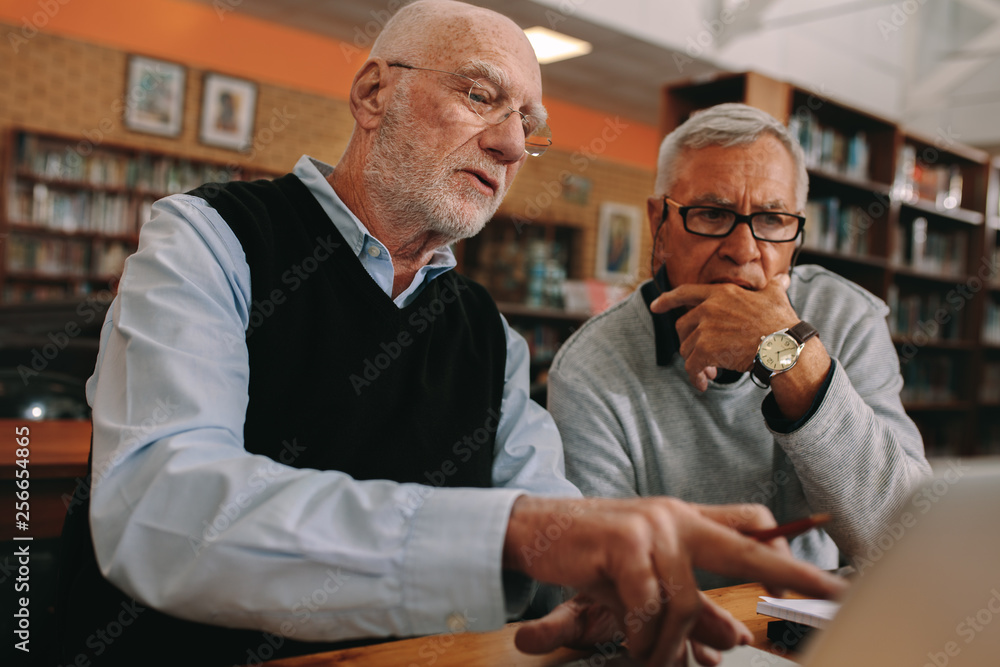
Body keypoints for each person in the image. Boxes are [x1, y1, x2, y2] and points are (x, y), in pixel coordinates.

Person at [56, 6, 845, 667]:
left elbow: (549, 522)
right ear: (372, 94)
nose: (509, 146)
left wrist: (611, 582)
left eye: (527, 125)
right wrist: (524, 536)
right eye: (480, 97)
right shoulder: (209, 240)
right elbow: (159, 508)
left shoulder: (489, 337)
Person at [548, 103, 933, 591]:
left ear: (796, 235)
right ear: (658, 224)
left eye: (772, 219)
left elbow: (911, 541)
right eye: (711, 214)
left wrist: (788, 355)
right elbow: (589, 588)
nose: (745, 249)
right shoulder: (589, 368)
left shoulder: (845, 316)